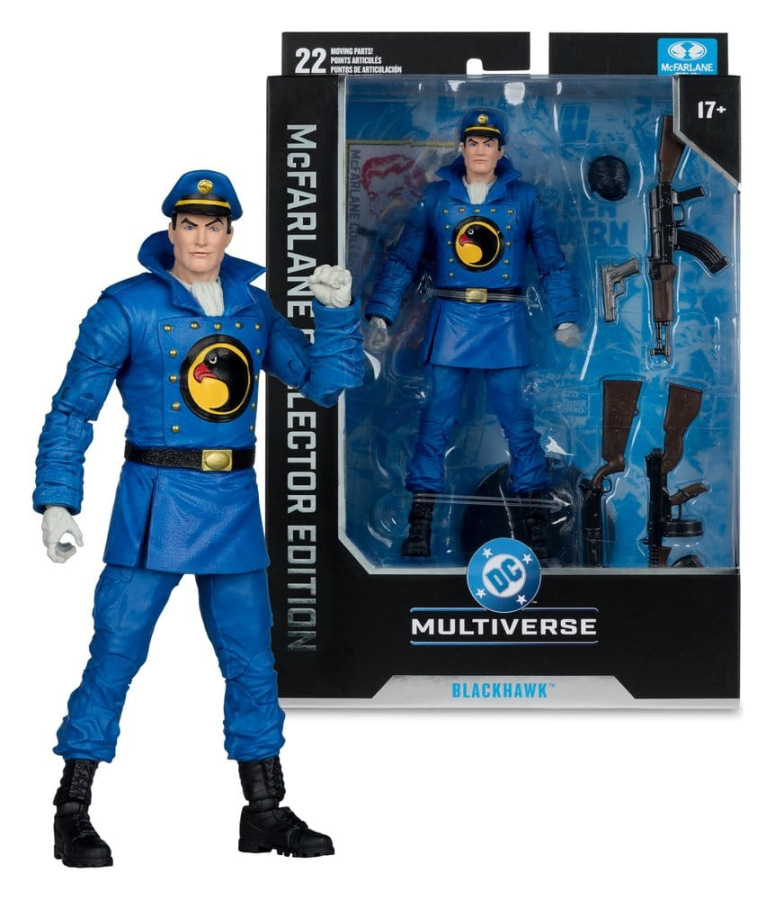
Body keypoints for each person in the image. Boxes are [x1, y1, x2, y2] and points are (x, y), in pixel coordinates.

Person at [34, 170, 363, 865]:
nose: (202, 238)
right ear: (172, 231)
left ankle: (264, 811)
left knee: (252, 660)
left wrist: (336, 314)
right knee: (116, 653)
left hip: (232, 502)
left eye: (214, 226)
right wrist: (59, 499)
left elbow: (322, 383)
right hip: (154, 499)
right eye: (190, 225)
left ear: (229, 233)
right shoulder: (124, 307)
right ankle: (72, 808)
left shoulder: (251, 306)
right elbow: (72, 410)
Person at [364, 109, 583, 558]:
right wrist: (382, 313)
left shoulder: (524, 198)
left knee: (518, 422)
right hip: (452, 319)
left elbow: (552, 262)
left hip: (503, 320)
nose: (480, 151)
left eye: (489, 143)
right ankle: (421, 520)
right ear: (461, 148)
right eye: (473, 142)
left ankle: (535, 517)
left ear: (502, 150)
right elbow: (404, 258)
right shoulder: (436, 197)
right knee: (436, 422)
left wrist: (564, 317)